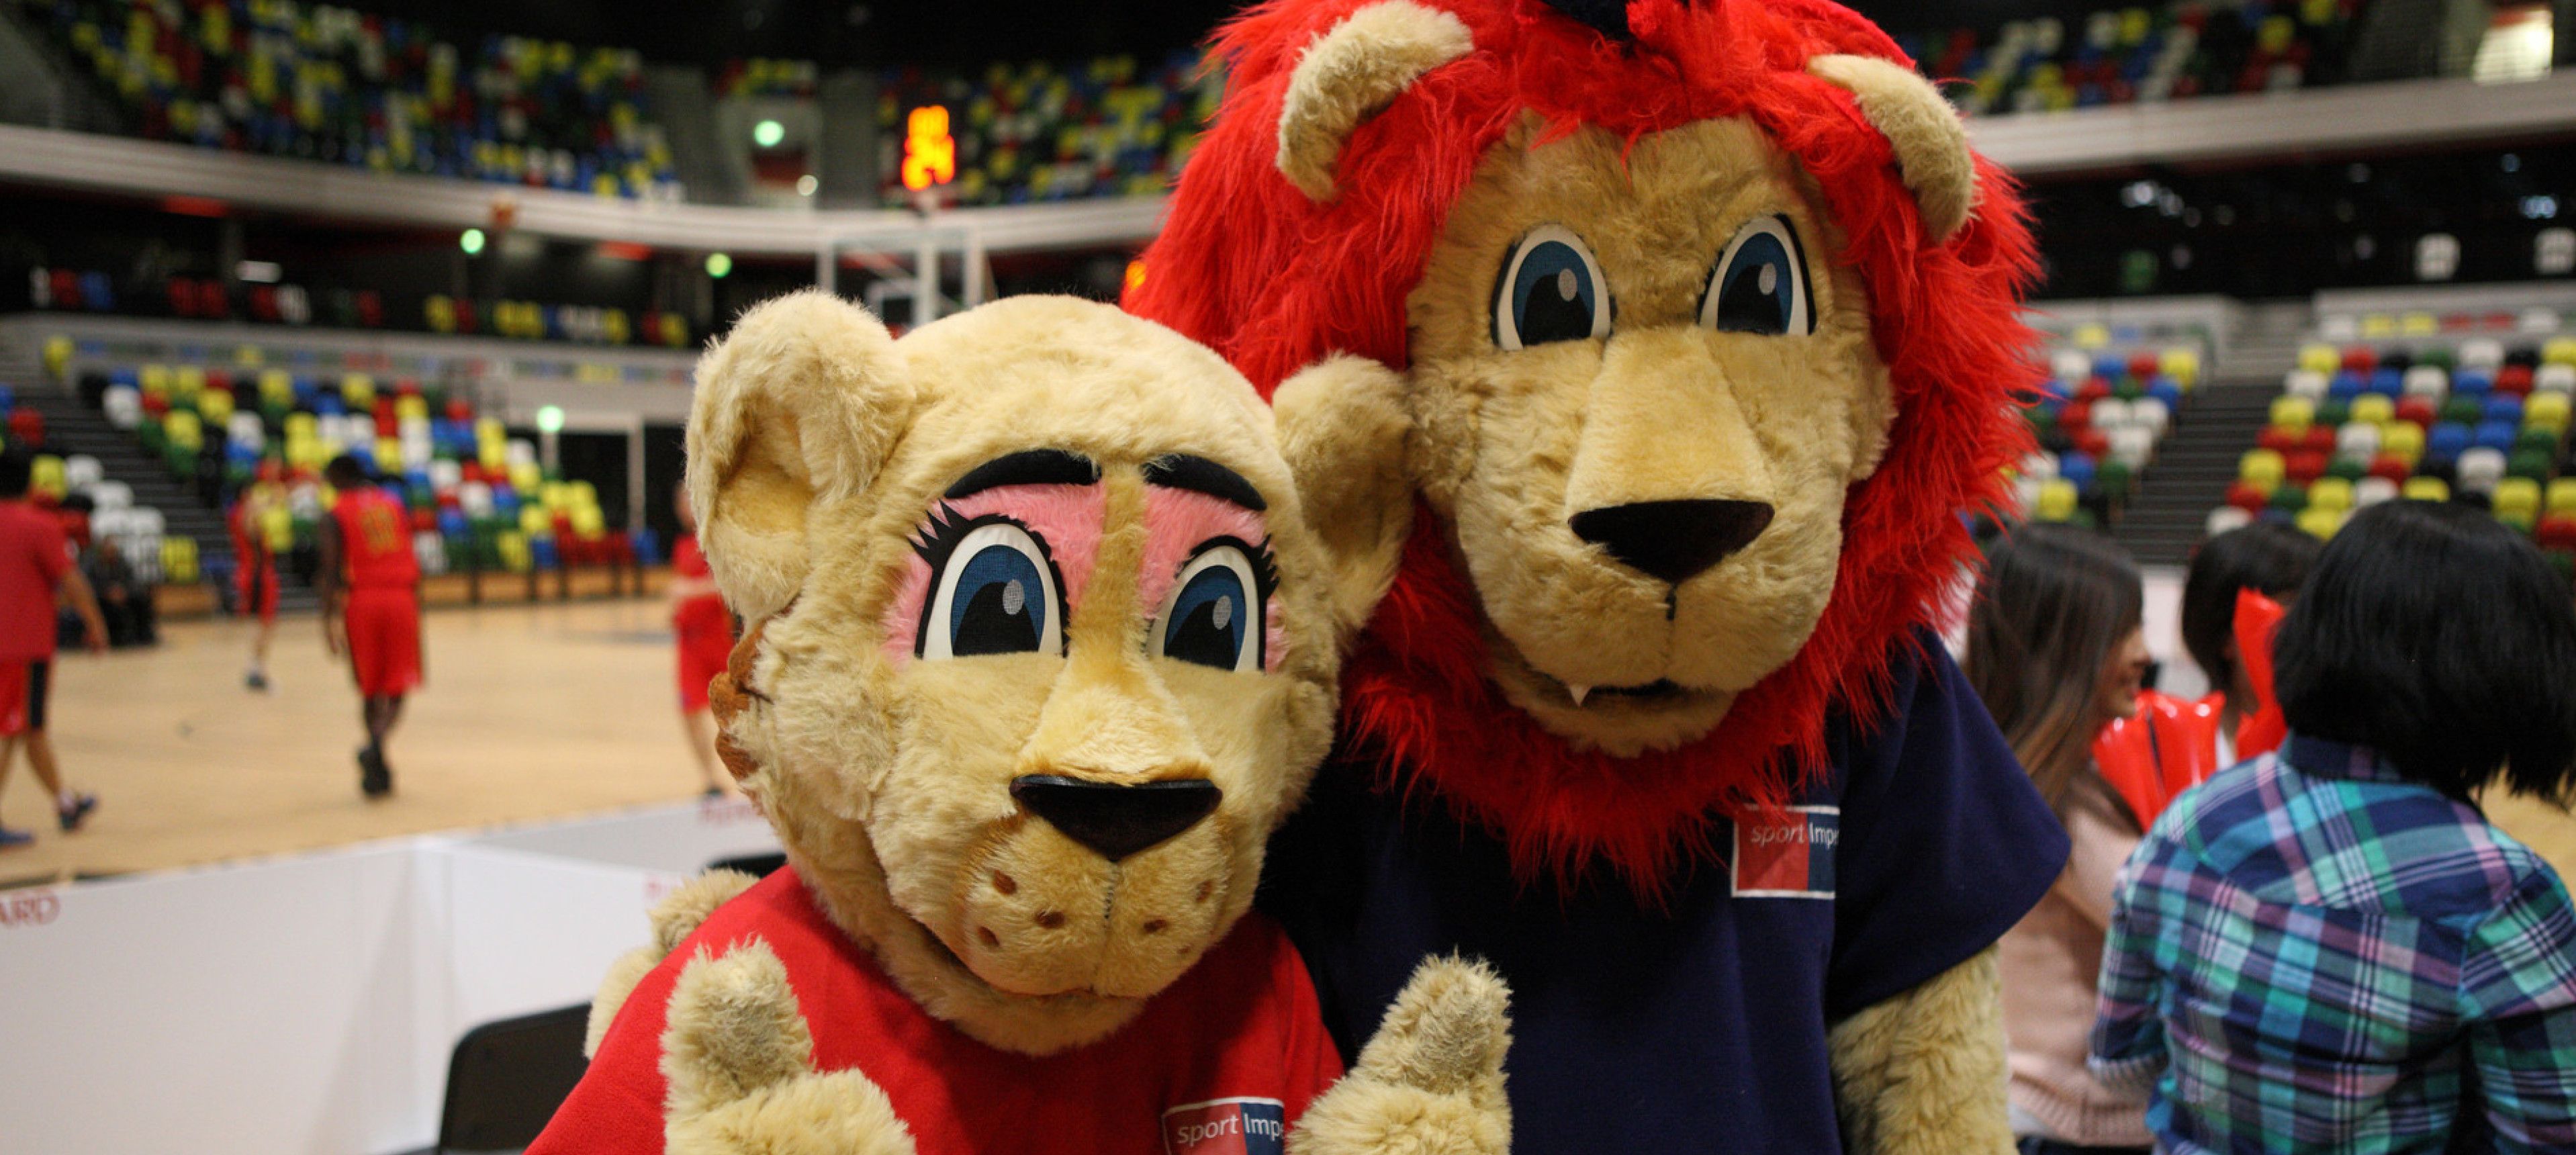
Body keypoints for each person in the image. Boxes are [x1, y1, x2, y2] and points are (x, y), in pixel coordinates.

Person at [2092, 500, 2576, 1154]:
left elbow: (2121, 1060)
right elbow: (2547, 1135)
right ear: (2498, 672)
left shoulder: (2186, 822)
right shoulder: (2498, 890)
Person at [1963, 524, 2155, 1155]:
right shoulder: (2052, 804)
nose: (2143, 652)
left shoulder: (2008, 774)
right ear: (2065, 649)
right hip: (2069, 1125)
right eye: (2122, 631)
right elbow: (2177, 925)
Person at [2092, 524, 2320, 829]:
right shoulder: (2146, 743)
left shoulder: (2343, 752)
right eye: (2293, 618)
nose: (2317, 639)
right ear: (2228, 635)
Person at [0, 449, 107, 849]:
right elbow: (71, 580)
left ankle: (65, 803)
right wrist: (95, 623)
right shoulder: (39, 525)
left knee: (31, 729)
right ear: (30, 483)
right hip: (21, 648)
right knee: (12, 732)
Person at [317, 455, 420, 799]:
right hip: (401, 597)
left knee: (368, 686)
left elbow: (330, 573)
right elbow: (409, 552)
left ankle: (376, 752)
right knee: (398, 684)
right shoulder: (393, 505)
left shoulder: (336, 513)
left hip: (363, 601)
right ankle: (377, 747)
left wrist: (327, 622)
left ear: (341, 477)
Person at [667, 481, 731, 798]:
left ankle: (751, 773)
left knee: (734, 711)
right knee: (690, 712)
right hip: (689, 644)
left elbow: (726, 583)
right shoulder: (681, 545)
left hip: (718, 640)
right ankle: (710, 779)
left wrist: (689, 591)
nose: (685, 507)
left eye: (690, 500)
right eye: (681, 501)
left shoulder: (719, 541)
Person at [231, 480, 283, 690]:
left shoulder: (244, 514)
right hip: (256, 575)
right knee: (264, 624)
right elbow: (250, 526)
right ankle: (255, 670)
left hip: (258, 573)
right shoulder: (243, 515)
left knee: (266, 625)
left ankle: (257, 668)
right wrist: (269, 503)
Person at [84, 536, 155, 648]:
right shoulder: (92, 565)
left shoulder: (123, 564)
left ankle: (145, 634)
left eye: (113, 551)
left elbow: (133, 582)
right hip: (102, 599)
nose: (111, 554)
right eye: (108, 551)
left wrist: (124, 592)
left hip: (123, 596)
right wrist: (107, 593)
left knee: (141, 599)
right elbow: (87, 585)